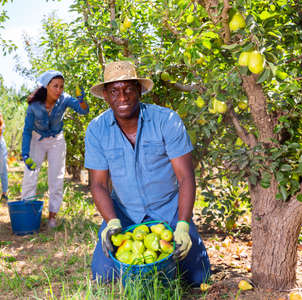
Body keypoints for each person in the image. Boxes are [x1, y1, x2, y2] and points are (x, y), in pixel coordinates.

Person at [84, 61, 210, 286]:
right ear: (105, 96)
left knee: (198, 278)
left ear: (139, 90)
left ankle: (184, 237)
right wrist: (112, 221)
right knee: (104, 277)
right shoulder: (96, 130)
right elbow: (99, 185)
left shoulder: (166, 121)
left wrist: (182, 223)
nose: (122, 97)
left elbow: (185, 177)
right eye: (114, 91)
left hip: (169, 210)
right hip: (125, 212)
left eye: (128, 89)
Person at [21, 70, 89, 228]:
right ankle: (28, 214)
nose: (59, 90)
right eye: (55, 86)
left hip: (56, 139)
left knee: (56, 178)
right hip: (37, 138)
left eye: (61, 87)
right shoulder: (34, 106)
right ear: (46, 87)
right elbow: (26, 130)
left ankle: (52, 216)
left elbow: (84, 110)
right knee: (30, 175)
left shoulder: (64, 99)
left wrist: (81, 99)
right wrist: (25, 154)